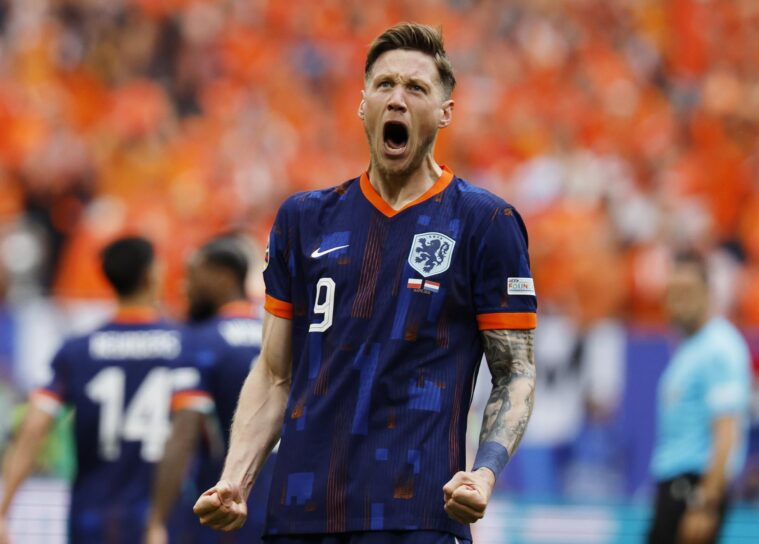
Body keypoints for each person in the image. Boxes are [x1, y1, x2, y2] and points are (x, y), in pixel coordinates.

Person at [192, 22, 538, 544]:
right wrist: (236, 478)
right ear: (362, 104)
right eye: (384, 85)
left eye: (416, 89)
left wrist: (484, 471)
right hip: (300, 516)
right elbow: (274, 373)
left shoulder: (485, 223)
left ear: (445, 113)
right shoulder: (302, 220)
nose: (397, 99)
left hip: (417, 514)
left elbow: (515, 372)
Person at [0, 236, 184, 544]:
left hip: (91, 513)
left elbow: (34, 427)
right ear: (151, 274)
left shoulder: (78, 349)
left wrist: (3, 510)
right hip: (159, 515)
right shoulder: (182, 345)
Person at [145, 236, 272, 543]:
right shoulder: (275, 334)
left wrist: (157, 520)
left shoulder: (200, 341)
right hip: (285, 505)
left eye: (192, 275)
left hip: (225, 509)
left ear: (223, 276)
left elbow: (184, 432)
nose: (184, 286)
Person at [648, 251, 752, 544]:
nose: (678, 300)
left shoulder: (719, 347)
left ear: (708, 293)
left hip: (691, 489)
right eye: (673, 291)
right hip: (676, 485)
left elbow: (726, 431)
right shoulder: (691, 346)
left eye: (687, 291)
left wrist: (706, 504)